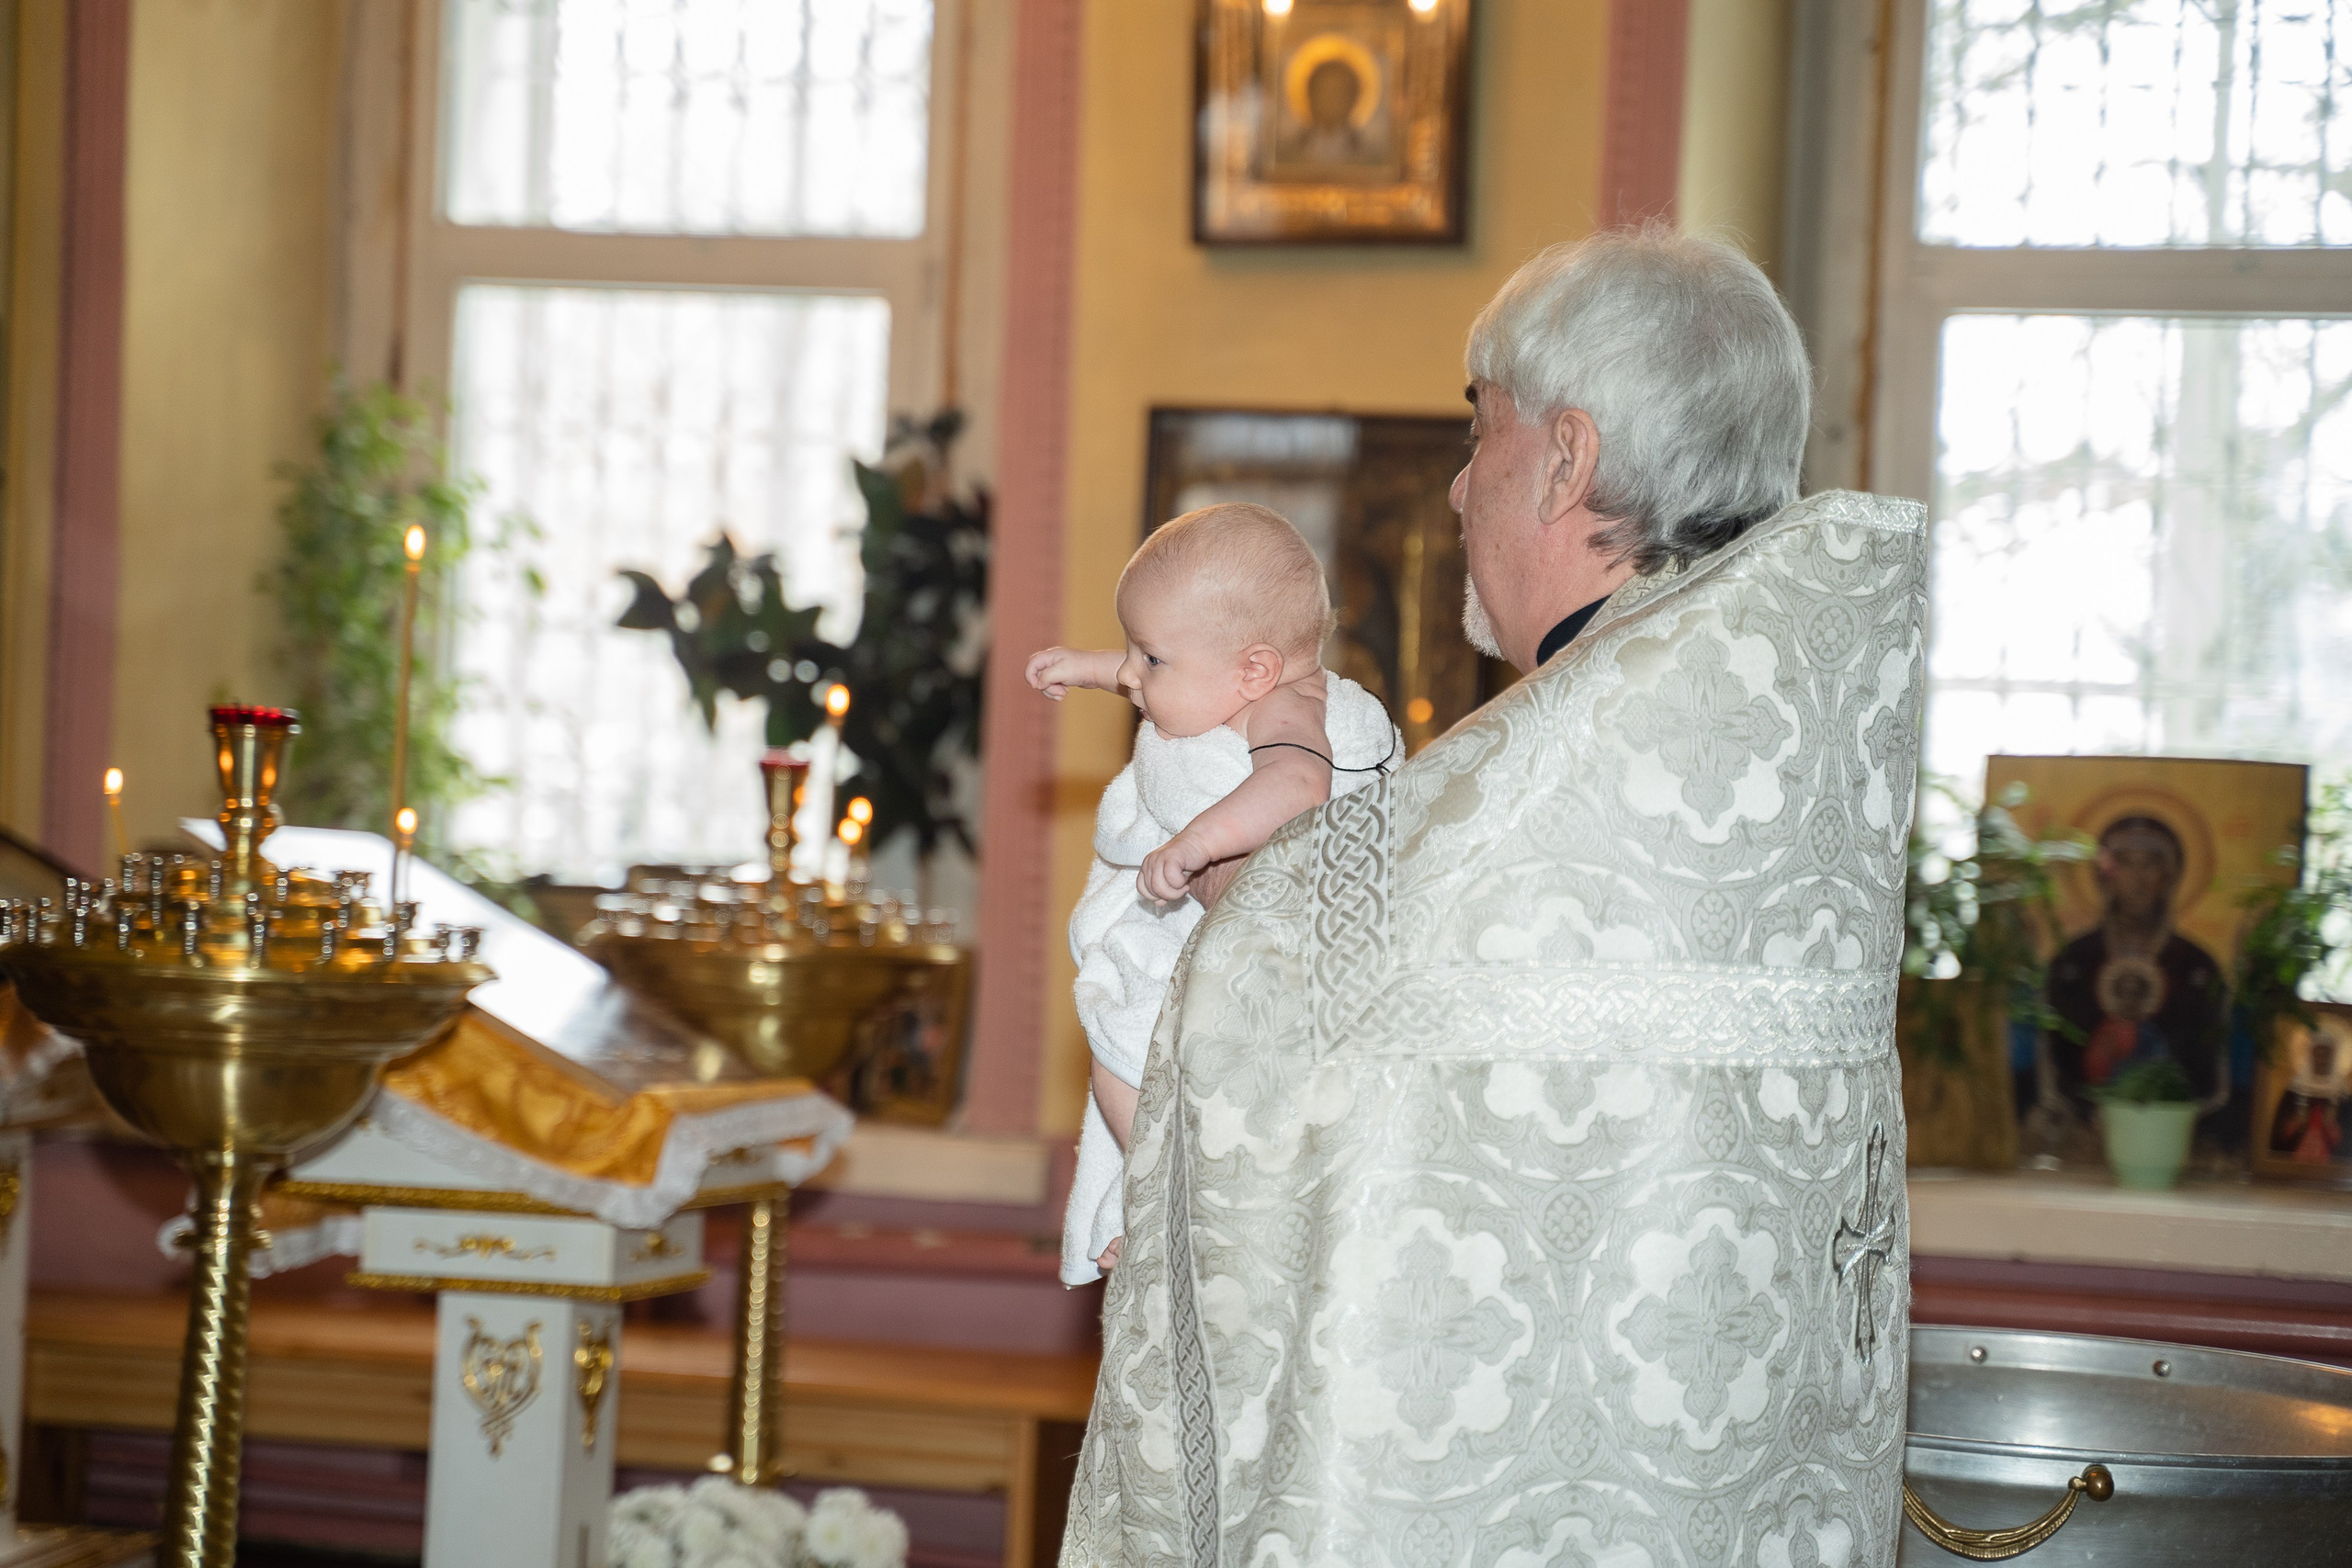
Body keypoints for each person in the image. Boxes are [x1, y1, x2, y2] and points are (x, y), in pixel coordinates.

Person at [1060, 228, 1928, 1568]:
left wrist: (1229, 903)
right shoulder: (1790, 760)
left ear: (1568, 458)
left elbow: (1258, 1028)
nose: (1461, 486)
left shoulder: (1515, 803)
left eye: (1482, 432)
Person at [1027, 502, 1401, 1286]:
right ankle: (1162, 1197)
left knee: (1120, 1057)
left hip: (1249, 963)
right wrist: (1084, 666)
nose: (1131, 672)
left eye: (1146, 658)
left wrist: (1198, 841)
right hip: (1191, 940)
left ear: (1255, 670)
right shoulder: (1226, 679)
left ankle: (1173, 1199)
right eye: (1128, 650)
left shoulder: (1290, 710)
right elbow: (1170, 669)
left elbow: (1296, 786)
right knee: (1120, 1057)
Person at [2033, 815, 2230, 1157]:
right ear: (2105, 877)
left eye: (2151, 866)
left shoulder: (2196, 966)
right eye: (2125, 865)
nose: (2137, 880)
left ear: (2169, 878)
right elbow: (2053, 1057)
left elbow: (2208, 1064)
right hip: (2079, 1135)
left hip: (2174, 1136)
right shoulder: (2074, 961)